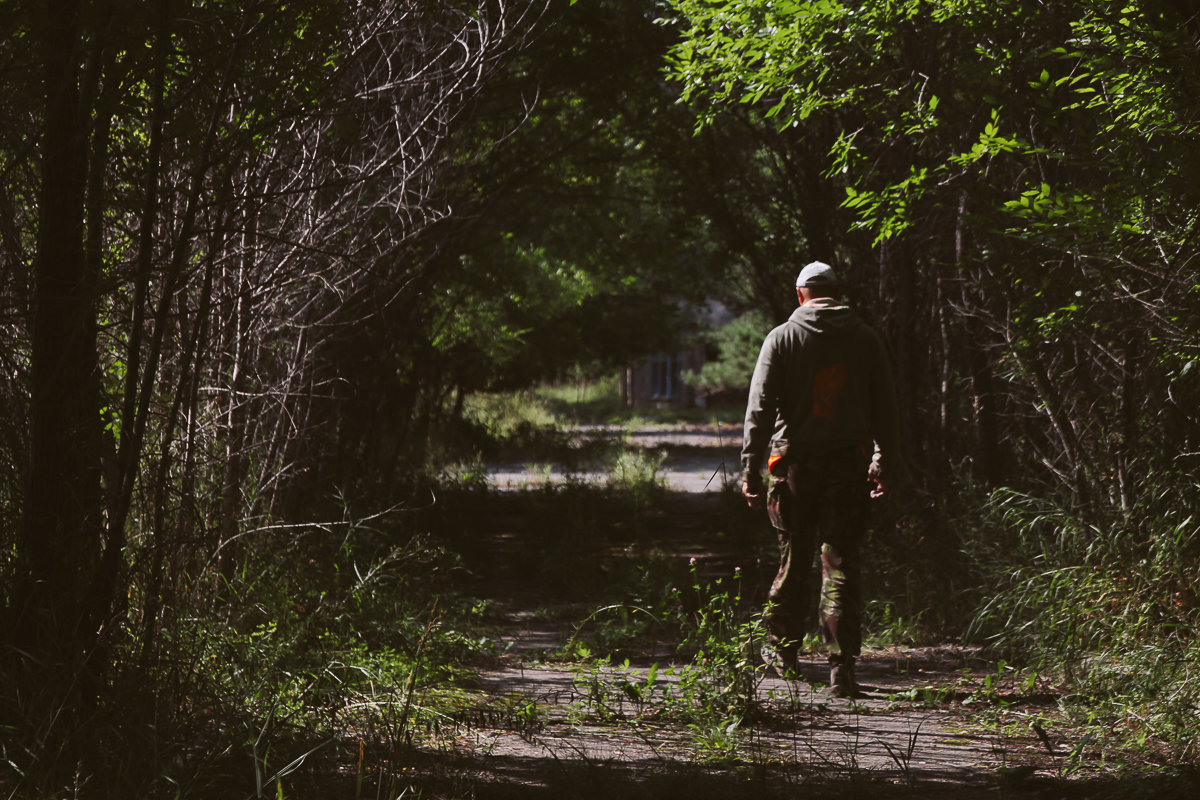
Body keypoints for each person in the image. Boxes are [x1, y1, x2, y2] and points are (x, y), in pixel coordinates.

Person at [740, 261, 901, 698]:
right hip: (848, 468)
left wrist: (751, 469)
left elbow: (758, 411)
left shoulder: (782, 338)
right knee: (840, 563)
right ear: (835, 291)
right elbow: (885, 409)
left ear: (801, 295)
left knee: (794, 561)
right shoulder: (864, 338)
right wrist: (883, 462)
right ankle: (841, 667)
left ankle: (784, 657)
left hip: (794, 469)